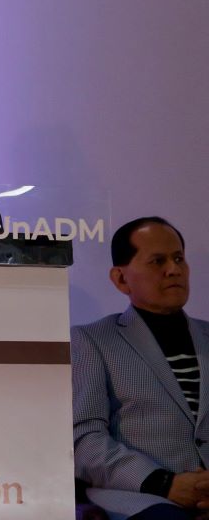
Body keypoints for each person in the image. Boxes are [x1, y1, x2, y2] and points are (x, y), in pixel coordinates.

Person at [72, 216, 209, 520]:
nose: (173, 269)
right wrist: (164, 484)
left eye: (178, 259)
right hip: (142, 498)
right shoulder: (93, 340)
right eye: (158, 261)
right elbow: (85, 440)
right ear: (121, 279)